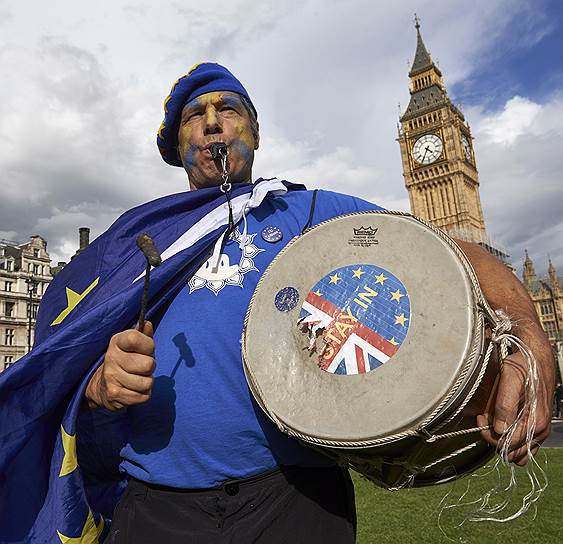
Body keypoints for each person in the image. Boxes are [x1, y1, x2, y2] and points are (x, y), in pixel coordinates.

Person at [52, 64, 560, 542]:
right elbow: (66, 363)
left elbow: (454, 253)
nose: (212, 124)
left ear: (255, 131)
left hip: (296, 496)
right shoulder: (137, 242)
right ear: (176, 142)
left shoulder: (313, 209)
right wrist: (100, 382)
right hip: (157, 505)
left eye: (228, 110)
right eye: (194, 116)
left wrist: (531, 336)